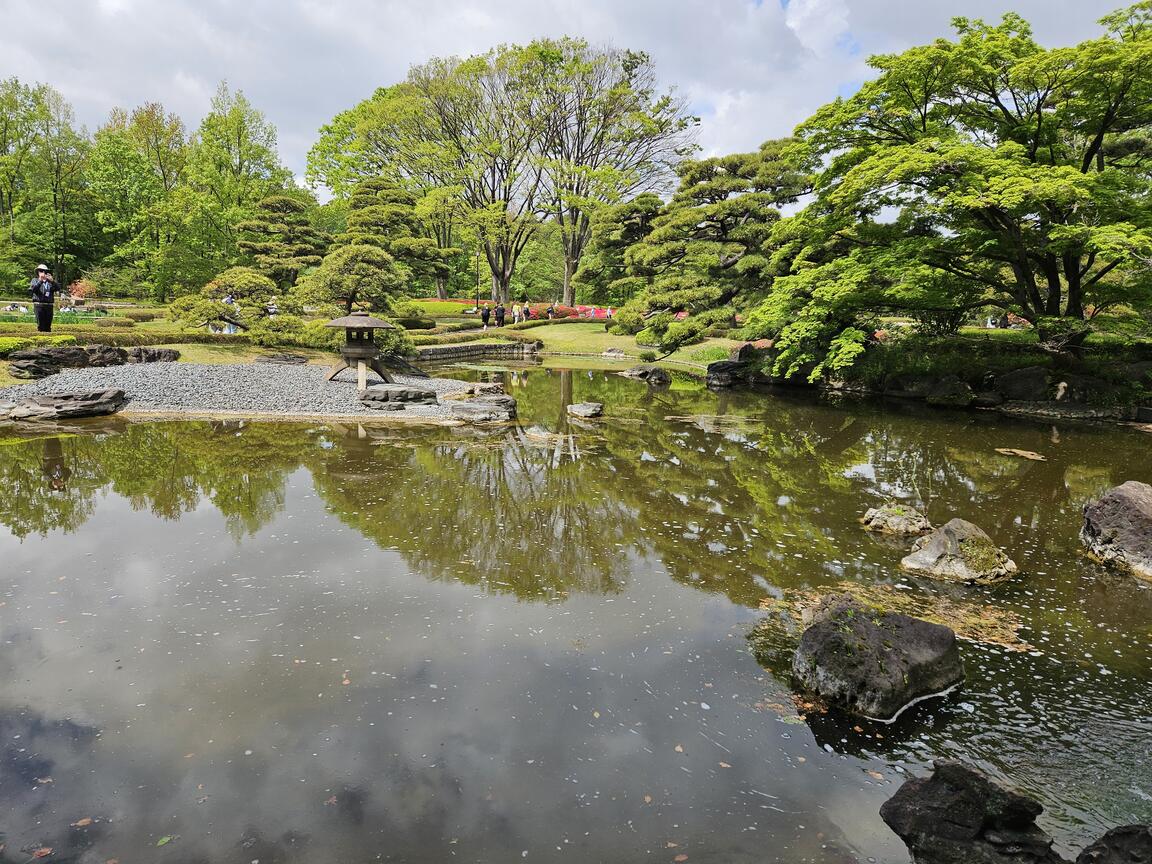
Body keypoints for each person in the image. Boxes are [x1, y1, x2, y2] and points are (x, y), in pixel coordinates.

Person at [29, 264, 56, 332]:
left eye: (45, 271)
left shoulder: (50, 282)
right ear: (38, 272)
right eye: (41, 271)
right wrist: (40, 281)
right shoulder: (34, 280)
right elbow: (33, 290)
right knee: (41, 325)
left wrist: (52, 281)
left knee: (48, 326)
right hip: (39, 305)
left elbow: (58, 288)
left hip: (49, 305)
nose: (43, 273)